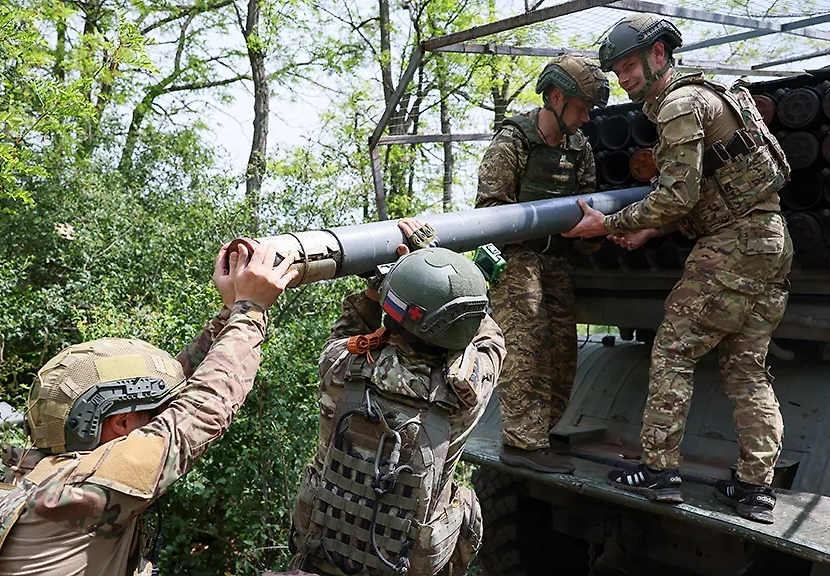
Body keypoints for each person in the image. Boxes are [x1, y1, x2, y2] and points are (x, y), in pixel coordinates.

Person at [0, 240, 298, 575]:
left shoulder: (41, 473)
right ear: (120, 423)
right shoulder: (83, 491)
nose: (165, 414)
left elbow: (180, 386)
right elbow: (203, 409)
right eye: (156, 412)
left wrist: (228, 312)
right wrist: (250, 311)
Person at [562, 13, 793, 524]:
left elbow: (676, 194)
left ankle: (660, 471)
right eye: (617, 70)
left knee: (672, 350)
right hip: (770, 239)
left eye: (629, 65)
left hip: (732, 244)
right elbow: (702, 193)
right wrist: (649, 229)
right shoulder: (714, 92)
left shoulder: (678, 104)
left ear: (660, 55)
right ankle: (755, 489)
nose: (624, 78)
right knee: (745, 368)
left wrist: (606, 224)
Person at [289, 219, 506, 576]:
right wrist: (442, 273)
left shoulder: (341, 365)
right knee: (464, 501)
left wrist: (385, 288)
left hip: (324, 551)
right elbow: (490, 339)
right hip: (403, 564)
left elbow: (349, 329)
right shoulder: (465, 393)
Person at [475, 54, 609, 475]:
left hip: (555, 261)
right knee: (527, 349)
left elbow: (588, 204)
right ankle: (524, 444)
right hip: (515, 259)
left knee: (563, 355)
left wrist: (597, 233)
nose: (586, 118)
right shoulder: (513, 140)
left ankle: (541, 436)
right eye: (581, 107)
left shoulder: (579, 148)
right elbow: (490, 212)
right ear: (555, 97)